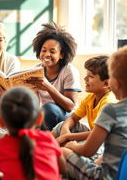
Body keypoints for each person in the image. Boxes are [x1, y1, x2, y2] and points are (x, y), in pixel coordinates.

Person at [61, 46, 127, 180]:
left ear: (115, 83)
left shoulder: (111, 110)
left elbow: (87, 150)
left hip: (104, 176)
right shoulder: (92, 99)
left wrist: (72, 144)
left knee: (62, 152)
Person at [0, 86, 66, 180]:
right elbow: (63, 169)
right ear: (40, 118)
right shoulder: (48, 139)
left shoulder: (0, 146)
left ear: (0, 122)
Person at [52, 56, 117, 152]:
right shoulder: (90, 98)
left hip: (104, 143)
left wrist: (68, 137)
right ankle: (45, 145)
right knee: (62, 125)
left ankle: (60, 151)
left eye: (91, 76)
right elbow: (73, 118)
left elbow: (97, 134)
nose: (85, 78)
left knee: (72, 148)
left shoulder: (108, 103)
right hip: (94, 134)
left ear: (106, 84)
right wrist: (65, 130)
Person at [27, 23, 81, 130]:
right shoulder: (36, 69)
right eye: (44, 50)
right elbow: (35, 104)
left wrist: (48, 87)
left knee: (49, 109)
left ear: (61, 54)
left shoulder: (69, 71)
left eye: (52, 51)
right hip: (47, 114)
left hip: (67, 116)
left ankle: (43, 139)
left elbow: (70, 107)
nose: (47, 54)